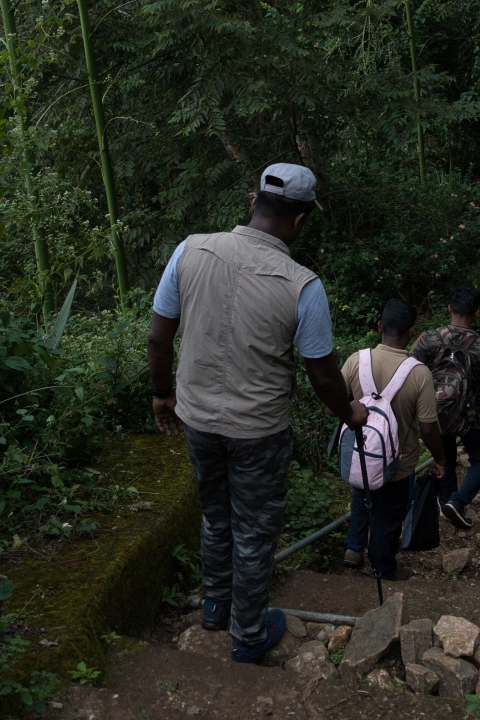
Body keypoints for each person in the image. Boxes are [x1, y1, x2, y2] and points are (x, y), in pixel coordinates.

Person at [146, 163, 367, 664]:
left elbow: (159, 336)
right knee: (253, 530)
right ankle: (247, 635)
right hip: (258, 432)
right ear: (300, 220)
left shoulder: (190, 250)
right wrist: (349, 412)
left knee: (214, 513)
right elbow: (323, 376)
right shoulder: (302, 285)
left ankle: (214, 606)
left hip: (197, 419)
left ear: (254, 201)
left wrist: (162, 394)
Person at [339, 299, 447, 579]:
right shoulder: (418, 373)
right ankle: (383, 567)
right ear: (411, 332)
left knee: (362, 496)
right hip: (398, 466)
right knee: (388, 517)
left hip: (362, 456)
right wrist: (438, 457)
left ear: (380, 326)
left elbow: (333, 406)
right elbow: (427, 428)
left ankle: (353, 547)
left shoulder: (355, 361)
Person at [411, 286, 480, 529]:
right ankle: (458, 501)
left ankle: (445, 502)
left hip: (435, 413)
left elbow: (408, 370)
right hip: (471, 416)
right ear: (477, 312)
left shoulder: (429, 338)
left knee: (444, 457)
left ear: (449, 308)